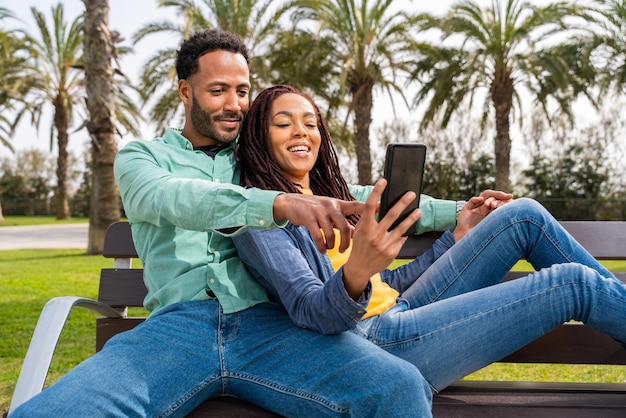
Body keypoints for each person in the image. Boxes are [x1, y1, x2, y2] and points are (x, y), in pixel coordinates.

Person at [9, 30, 446, 418]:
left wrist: (461, 210)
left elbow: (359, 192)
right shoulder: (142, 158)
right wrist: (275, 203)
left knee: (398, 387)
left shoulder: (257, 160)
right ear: (185, 91)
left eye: (242, 91)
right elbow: (170, 198)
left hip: (273, 329)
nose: (234, 104)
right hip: (176, 331)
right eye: (218, 90)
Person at [232, 84, 626, 395]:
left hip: (402, 311)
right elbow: (314, 313)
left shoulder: (332, 201)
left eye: (310, 123)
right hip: (374, 346)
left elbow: (382, 288)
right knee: (575, 283)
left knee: (523, 215)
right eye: (283, 124)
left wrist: (455, 237)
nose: (301, 131)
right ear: (258, 138)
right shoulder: (262, 219)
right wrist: (355, 273)